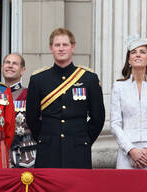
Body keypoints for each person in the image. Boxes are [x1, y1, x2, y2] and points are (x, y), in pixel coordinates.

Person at [26, 28, 105, 168]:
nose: (61, 49)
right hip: (48, 148)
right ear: (51, 48)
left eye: (65, 45)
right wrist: (45, 138)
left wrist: (84, 139)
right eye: (57, 45)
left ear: (73, 47)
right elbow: (32, 117)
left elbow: (98, 117)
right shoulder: (38, 79)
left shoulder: (89, 78)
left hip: (78, 148)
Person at [110, 36, 147, 169]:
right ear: (129, 60)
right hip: (127, 152)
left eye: (142, 52)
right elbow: (115, 123)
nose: (138, 55)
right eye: (133, 52)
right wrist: (131, 149)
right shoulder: (119, 87)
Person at [2, 53, 36, 168]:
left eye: (15, 63)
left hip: (25, 155)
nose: (10, 66)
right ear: (2, 68)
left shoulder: (30, 95)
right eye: (7, 63)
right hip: (1, 156)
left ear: (22, 70)